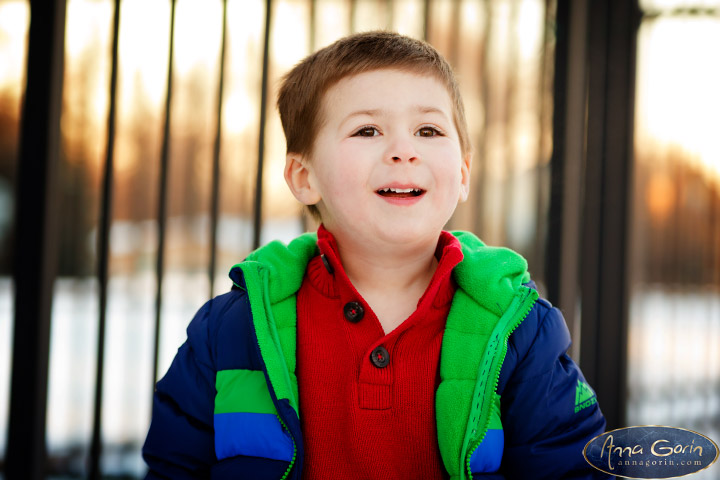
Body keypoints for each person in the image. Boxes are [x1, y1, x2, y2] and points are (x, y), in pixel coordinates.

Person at [142, 31, 610, 480]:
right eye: (367, 130)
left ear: (463, 171)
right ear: (305, 177)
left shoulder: (519, 331)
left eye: (428, 129)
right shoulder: (233, 330)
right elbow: (174, 468)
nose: (404, 151)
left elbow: (573, 469)